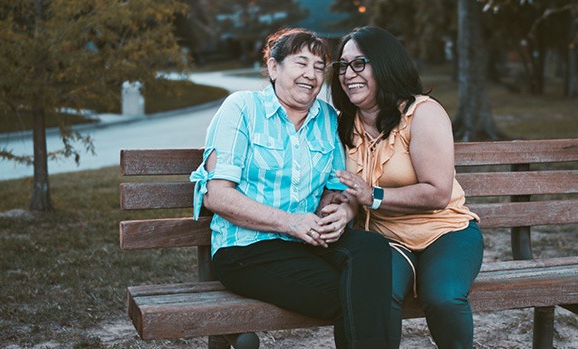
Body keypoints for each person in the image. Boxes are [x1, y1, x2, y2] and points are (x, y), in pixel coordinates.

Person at [190, 27, 392, 349]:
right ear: (273, 67)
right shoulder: (242, 109)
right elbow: (217, 194)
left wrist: (340, 211)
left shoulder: (327, 118)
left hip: (305, 241)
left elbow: (335, 189)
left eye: (318, 67)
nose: (311, 75)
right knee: (359, 294)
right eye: (301, 63)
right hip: (246, 249)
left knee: (373, 249)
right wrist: (290, 222)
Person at [330, 26, 484, 349]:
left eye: (359, 63)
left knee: (442, 297)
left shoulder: (422, 113)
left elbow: (438, 192)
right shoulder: (342, 123)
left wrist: (373, 195)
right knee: (373, 297)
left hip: (446, 233)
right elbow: (346, 191)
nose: (348, 74)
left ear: (385, 64)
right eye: (343, 65)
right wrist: (341, 210)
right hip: (385, 240)